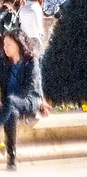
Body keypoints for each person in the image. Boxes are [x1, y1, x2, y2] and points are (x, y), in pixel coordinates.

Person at [0, 28, 50, 171]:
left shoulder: (31, 62)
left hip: (29, 100)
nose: (5, 47)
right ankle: (12, 159)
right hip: (11, 104)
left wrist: (10, 101)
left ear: (19, 44)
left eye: (8, 44)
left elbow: (29, 88)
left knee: (10, 102)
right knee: (12, 113)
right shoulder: (3, 62)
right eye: (4, 44)